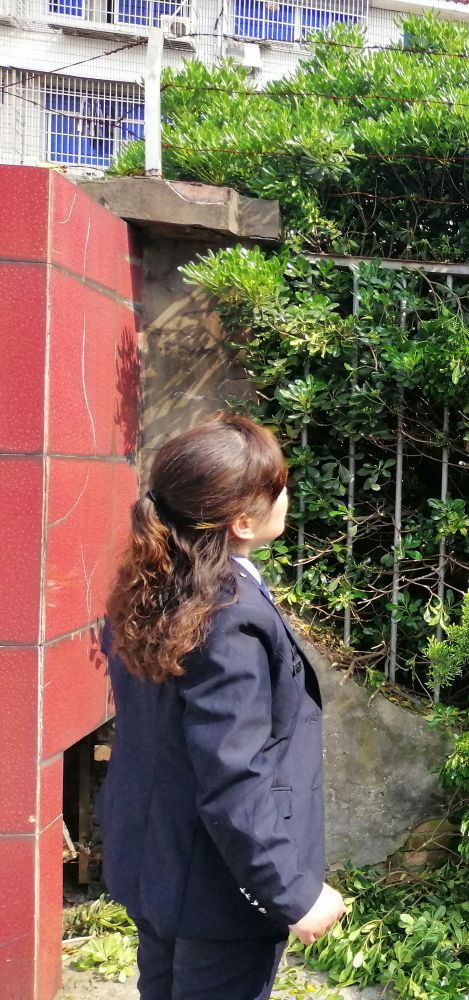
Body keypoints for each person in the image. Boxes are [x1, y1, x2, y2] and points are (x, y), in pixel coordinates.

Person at [97, 414, 346, 999]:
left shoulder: (154, 585)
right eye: (277, 487)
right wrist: (291, 891)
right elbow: (233, 774)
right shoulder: (227, 615)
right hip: (217, 889)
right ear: (242, 521)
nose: (286, 495)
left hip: (156, 863)